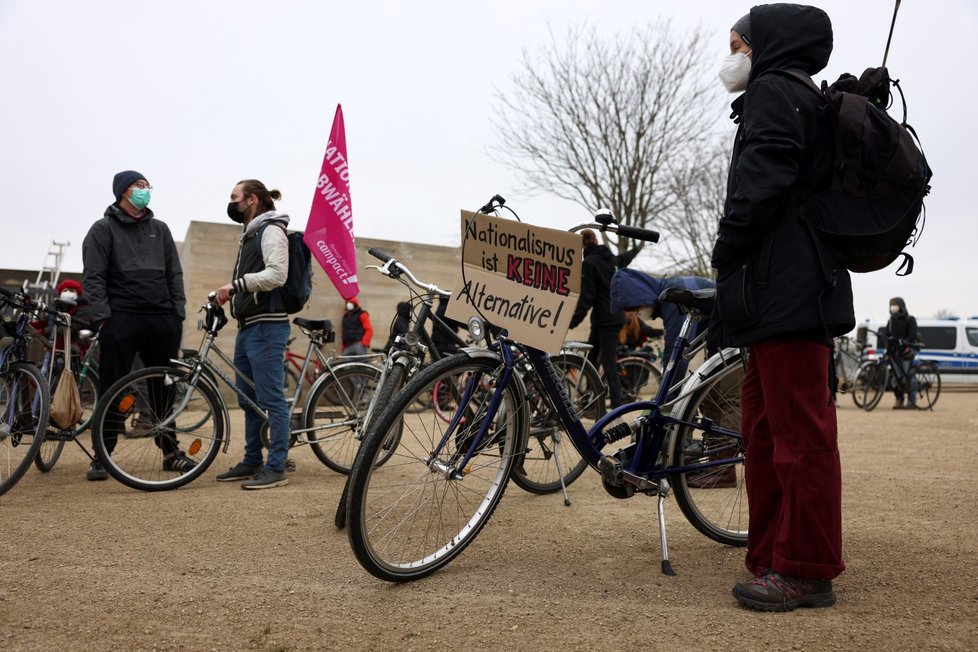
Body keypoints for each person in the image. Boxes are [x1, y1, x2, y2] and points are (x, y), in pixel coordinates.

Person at [710, 6, 855, 612]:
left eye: (738, 43)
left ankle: (807, 568)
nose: (731, 54)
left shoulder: (774, 92)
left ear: (764, 45)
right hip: (787, 295)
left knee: (797, 437)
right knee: (766, 434)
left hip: (790, 295)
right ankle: (773, 554)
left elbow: (762, 183)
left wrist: (727, 244)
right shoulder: (796, 94)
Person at [82, 170, 187, 481]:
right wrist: (103, 317)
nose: (145, 190)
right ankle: (103, 454)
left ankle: (170, 451)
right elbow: (94, 277)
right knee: (112, 385)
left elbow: (174, 275)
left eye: (147, 185)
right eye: (139, 185)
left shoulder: (161, 229)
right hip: (122, 317)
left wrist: (176, 313)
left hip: (161, 318)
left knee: (164, 387)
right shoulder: (102, 230)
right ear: (122, 192)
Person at [214, 179, 293, 490]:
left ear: (252, 200)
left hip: (268, 326)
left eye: (235, 197)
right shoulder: (248, 236)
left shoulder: (271, 230)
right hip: (248, 326)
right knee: (248, 399)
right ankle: (252, 459)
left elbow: (278, 274)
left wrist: (237, 285)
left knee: (272, 399)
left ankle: (276, 466)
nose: (231, 203)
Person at [610, 269, 715, 394]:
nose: (638, 314)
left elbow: (676, 352)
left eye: (637, 310)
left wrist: (666, 398)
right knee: (711, 393)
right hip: (720, 335)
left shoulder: (674, 294)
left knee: (725, 394)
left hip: (730, 332)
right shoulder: (667, 292)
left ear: (644, 299)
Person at [569, 229, 639, 408]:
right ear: (596, 240)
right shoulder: (611, 259)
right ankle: (591, 402)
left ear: (582, 244)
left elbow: (587, 297)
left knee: (608, 363)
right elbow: (625, 258)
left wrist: (572, 322)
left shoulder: (589, 263)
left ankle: (617, 406)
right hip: (612, 318)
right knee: (591, 360)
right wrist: (637, 248)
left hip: (606, 320)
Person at [882, 296, 920, 409]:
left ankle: (911, 401)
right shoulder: (891, 320)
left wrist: (905, 343)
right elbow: (886, 335)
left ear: (901, 306)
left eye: (895, 304)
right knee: (895, 378)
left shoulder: (910, 319)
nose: (893, 307)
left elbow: (912, 334)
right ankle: (899, 398)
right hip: (894, 353)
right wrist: (886, 344)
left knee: (909, 377)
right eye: (892, 305)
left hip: (906, 352)